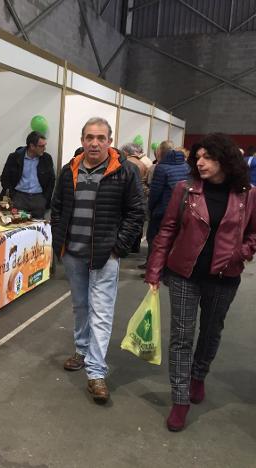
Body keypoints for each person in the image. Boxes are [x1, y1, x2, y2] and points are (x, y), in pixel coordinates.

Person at [145, 133, 256, 432]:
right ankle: (179, 399)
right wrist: (154, 269)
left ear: (225, 160)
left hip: (224, 276)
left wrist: (241, 253)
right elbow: (167, 230)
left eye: (208, 157)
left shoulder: (247, 194)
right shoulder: (185, 189)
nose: (200, 162)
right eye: (198, 157)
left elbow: (254, 233)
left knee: (210, 332)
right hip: (184, 274)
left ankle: (198, 376)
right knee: (181, 336)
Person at [51, 117, 144, 403]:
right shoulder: (69, 171)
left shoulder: (125, 172)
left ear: (110, 141)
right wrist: (60, 241)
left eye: (101, 138)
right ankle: (81, 350)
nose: (94, 143)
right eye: (89, 137)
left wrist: (118, 247)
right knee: (81, 306)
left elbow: (136, 212)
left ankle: (96, 372)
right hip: (73, 253)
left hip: (105, 255)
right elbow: (57, 207)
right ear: (82, 140)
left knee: (101, 312)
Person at [0, 131, 56, 219]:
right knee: (17, 227)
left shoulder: (47, 158)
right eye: (41, 146)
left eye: (45, 145)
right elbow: (4, 178)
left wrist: (44, 199)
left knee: (37, 229)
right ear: (32, 146)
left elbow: (51, 181)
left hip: (38, 199)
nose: (44, 148)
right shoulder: (14, 157)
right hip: (18, 198)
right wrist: (13, 195)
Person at [147, 145, 190, 251]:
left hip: (162, 209)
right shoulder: (187, 167)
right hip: (182, 209)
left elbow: (155, 191)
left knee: (154, 237)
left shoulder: (161, 168)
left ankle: (152, 263)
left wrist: (151, 208)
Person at [121, 142, 149, 254]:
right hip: (140, 195)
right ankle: (135, 246)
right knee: (138, 222)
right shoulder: (143, 164)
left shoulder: (126, 164)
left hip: (127, 196)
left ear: (126, 152)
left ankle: (126, 246)